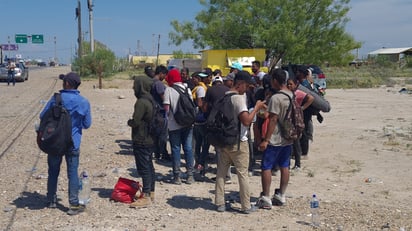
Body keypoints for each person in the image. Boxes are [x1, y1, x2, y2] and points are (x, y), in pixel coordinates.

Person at [40, 72, 92, 215]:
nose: (62, 83)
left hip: (55, 142)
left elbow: (42, 116)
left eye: (64, 81)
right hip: (73, 143)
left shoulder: (56, 99)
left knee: (53, 171)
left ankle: (51, 199)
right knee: (73, 173)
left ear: (67, 84)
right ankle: (73, 205)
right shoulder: (83, 102)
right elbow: (87, 124)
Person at [214, 70, 266, 214]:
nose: (247, 89)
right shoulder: (238, 99)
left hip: (224, 140)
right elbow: (246, 120)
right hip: (238, 142)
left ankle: (219, 203)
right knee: (242, 174)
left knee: (221, 173)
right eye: (247, 86)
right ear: (240, 84)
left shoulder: (224, 96)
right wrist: (256, 108)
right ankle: (246, 205)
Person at [256, 68, 293, 209]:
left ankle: (266, 196)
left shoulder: (276, 98)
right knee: (285, 166)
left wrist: (266, 139)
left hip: (275, 138)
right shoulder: (291, 95)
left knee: (266, 167)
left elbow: (272, 119)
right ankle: (281, 195)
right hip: (288, 137)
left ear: (276, 81)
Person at [128, 76, 156, 208]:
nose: (134, 88)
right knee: (149, 166)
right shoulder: (151, 99)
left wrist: (130, 122)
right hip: (150, 138)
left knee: (144, 168)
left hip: (141, 139)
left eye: (135, 85)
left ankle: (145, 196)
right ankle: (151, 192)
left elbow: (136, 121)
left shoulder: (141, 102)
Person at [163, 69, 195, 185]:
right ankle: (190, 175)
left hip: (174, 124)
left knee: (176, 148)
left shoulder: (169, 90)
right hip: (188, 123)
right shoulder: (187, 88)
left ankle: (177, 176)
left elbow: (166, 109)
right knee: (188, 148)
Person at [287, 76, 314, 170]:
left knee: (296, 142)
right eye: (288, 84)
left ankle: (298, 164)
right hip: (288, 120)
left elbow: (311, 98)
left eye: (291, 84)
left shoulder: (298, 93)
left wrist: (302, 108)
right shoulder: (287, 93)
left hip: (296, 120)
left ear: (295, 85)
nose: (289, 85)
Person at [191, 71, 210, 176]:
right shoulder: (203, 88)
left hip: (200, 119)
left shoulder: (200, 89)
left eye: (194, 78)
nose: (193, 80)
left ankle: (200, 165)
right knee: (201, 144)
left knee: (200, 144)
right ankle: (201, 164)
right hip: (201, 119)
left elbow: (200, 103)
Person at [151, 65, 170, 161]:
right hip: (160, 112)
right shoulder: (158, 84)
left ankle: (157, 152)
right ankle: (163, 153)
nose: (165, 77)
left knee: (155, 134)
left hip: (153, 111)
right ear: (161, 73)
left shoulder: (151, 82)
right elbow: (164, 98)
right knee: (163, 134)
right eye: (164, 75)